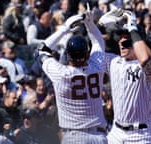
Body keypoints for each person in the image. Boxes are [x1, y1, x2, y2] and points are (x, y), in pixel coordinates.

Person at [36, 7, 107, 143]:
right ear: (87, 54)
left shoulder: (61, 73)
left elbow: (40, 50)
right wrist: (89, 23)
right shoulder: (96, 66)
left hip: (74, 136)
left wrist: (64, 28)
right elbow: (98, 41)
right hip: (99, 136)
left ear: (68, 56)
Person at [102, 10, 151, 143]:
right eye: (120, 39)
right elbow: (92, 53)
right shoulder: (114, 61)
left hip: (141, 134)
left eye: (127, 40)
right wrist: (98, 25)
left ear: (138, 42)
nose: (121, 43)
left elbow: (145, 59)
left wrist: (133, 28)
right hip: (116, 131)